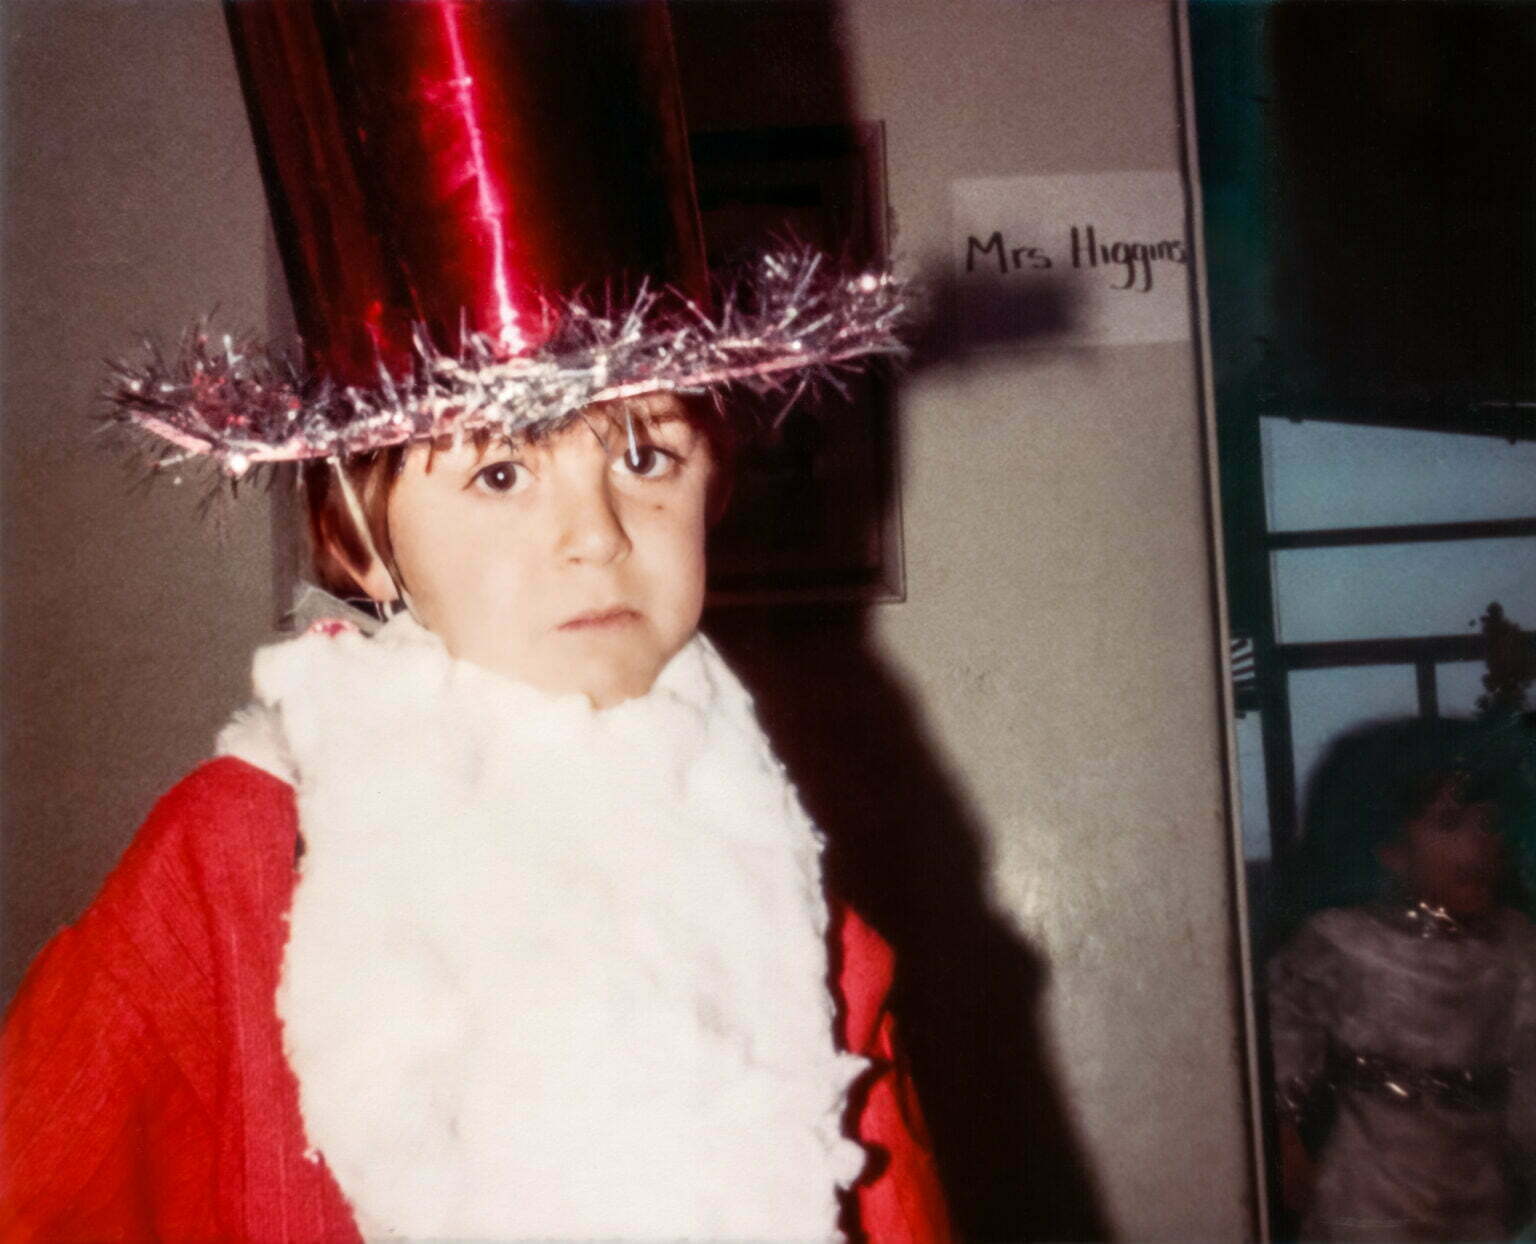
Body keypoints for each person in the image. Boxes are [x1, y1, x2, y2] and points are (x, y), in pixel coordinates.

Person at [0, 2, 949, 1240]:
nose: (597, 531)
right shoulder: (236, 852)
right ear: (365, 534)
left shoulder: (772, 869)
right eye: (501, 473)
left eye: (648, 456)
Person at [1267, 716, 1536, 1242]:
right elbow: (1285, 1035)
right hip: (1370, 1187)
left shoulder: (1517, 944)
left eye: (1488, 824)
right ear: (1390, 849)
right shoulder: (1342, 941)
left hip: (1478, 1192)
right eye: (1450, 824)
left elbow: (1530, 1061)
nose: (1477, 844)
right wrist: (1286, 1138)